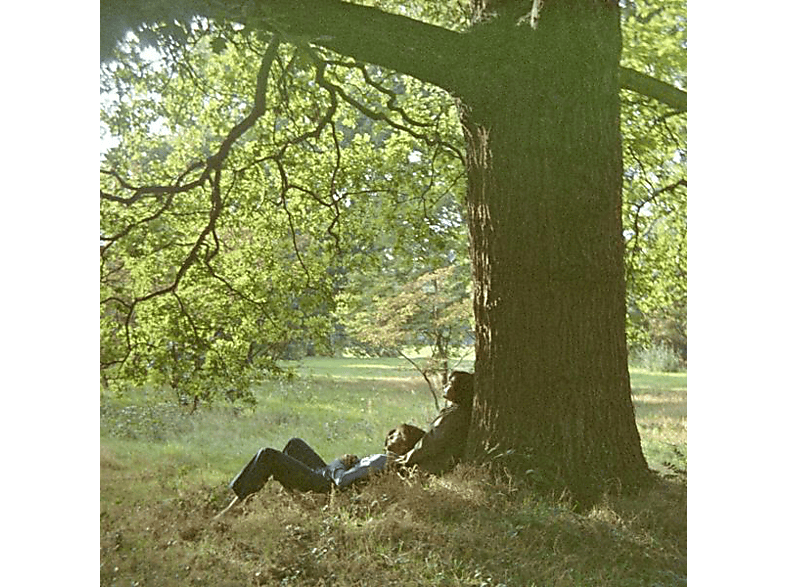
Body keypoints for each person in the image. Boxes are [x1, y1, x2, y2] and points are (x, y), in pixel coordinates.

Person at [214, 424, 426, 519]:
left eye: (396, 435)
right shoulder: (386, 459)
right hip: (327, 474)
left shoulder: (382, 459)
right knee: (294, 444)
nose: (390, 436)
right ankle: (299, 501)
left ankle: (237, 504)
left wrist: (339, 463)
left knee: (268, 454)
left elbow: (341, 481)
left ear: (405, 443)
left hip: (324, 483)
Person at [390, 370, 474, 475]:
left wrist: (405, 459)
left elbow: (431, 444)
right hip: (436, 461)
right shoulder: (456, 411)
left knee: (379, 462)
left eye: (450, 384)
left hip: (434, 466)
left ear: (460, 390)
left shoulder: (455, 416)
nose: (445, 386)